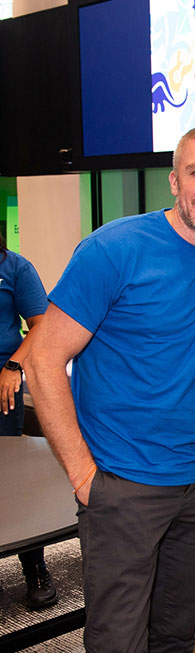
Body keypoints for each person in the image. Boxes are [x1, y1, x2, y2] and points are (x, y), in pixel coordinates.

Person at [24, 124, 195, 653]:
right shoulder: (113, 249)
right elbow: (42, 360)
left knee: (175, 641)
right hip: (120, 485)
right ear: (174, 181)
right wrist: (85, 477)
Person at [0, 243, 55, 609]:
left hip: (2, 384)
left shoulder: (15, 267)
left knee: (11, 479)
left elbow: (42, 325)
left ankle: (35, 568)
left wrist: (13, 366)